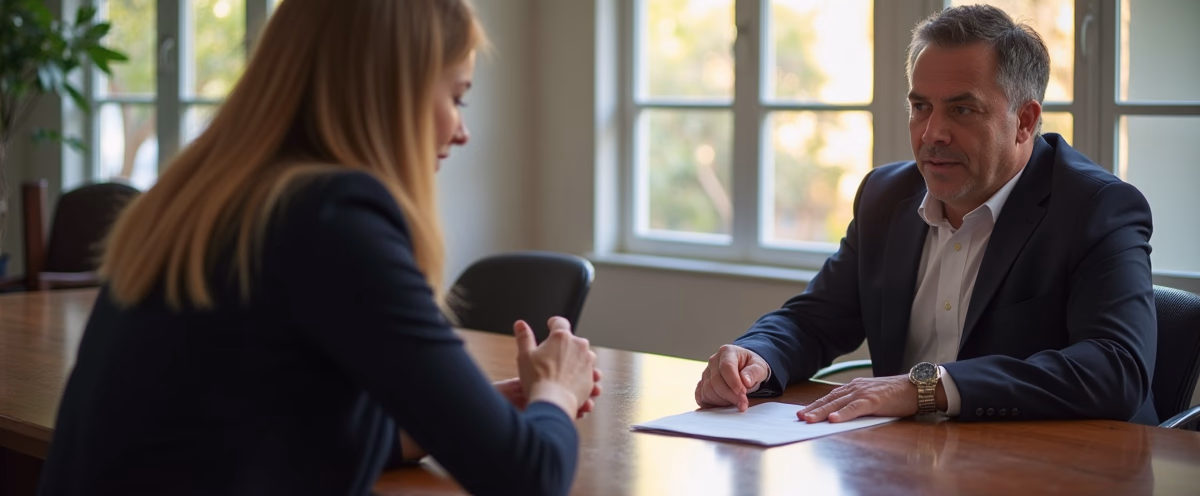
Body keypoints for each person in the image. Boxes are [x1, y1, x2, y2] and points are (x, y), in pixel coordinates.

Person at [38, 1, 600, 495]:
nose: (461, 131)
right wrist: (557, 389)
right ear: (391, 90)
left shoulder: (203, 197)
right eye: (457, 97)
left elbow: (275, 426)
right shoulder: (334, 217)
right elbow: (527, 476)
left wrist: (466, 415)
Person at [695, 5, 1157, 425]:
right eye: (921, 107)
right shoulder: (884, 196)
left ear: (1025, 121)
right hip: (910, 462)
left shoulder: (1097, 208)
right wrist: (755, 355)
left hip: (1061, 468)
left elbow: (1116, 369)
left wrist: (924, 387)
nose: (933, 133)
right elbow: (814, 321)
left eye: (962, 109)